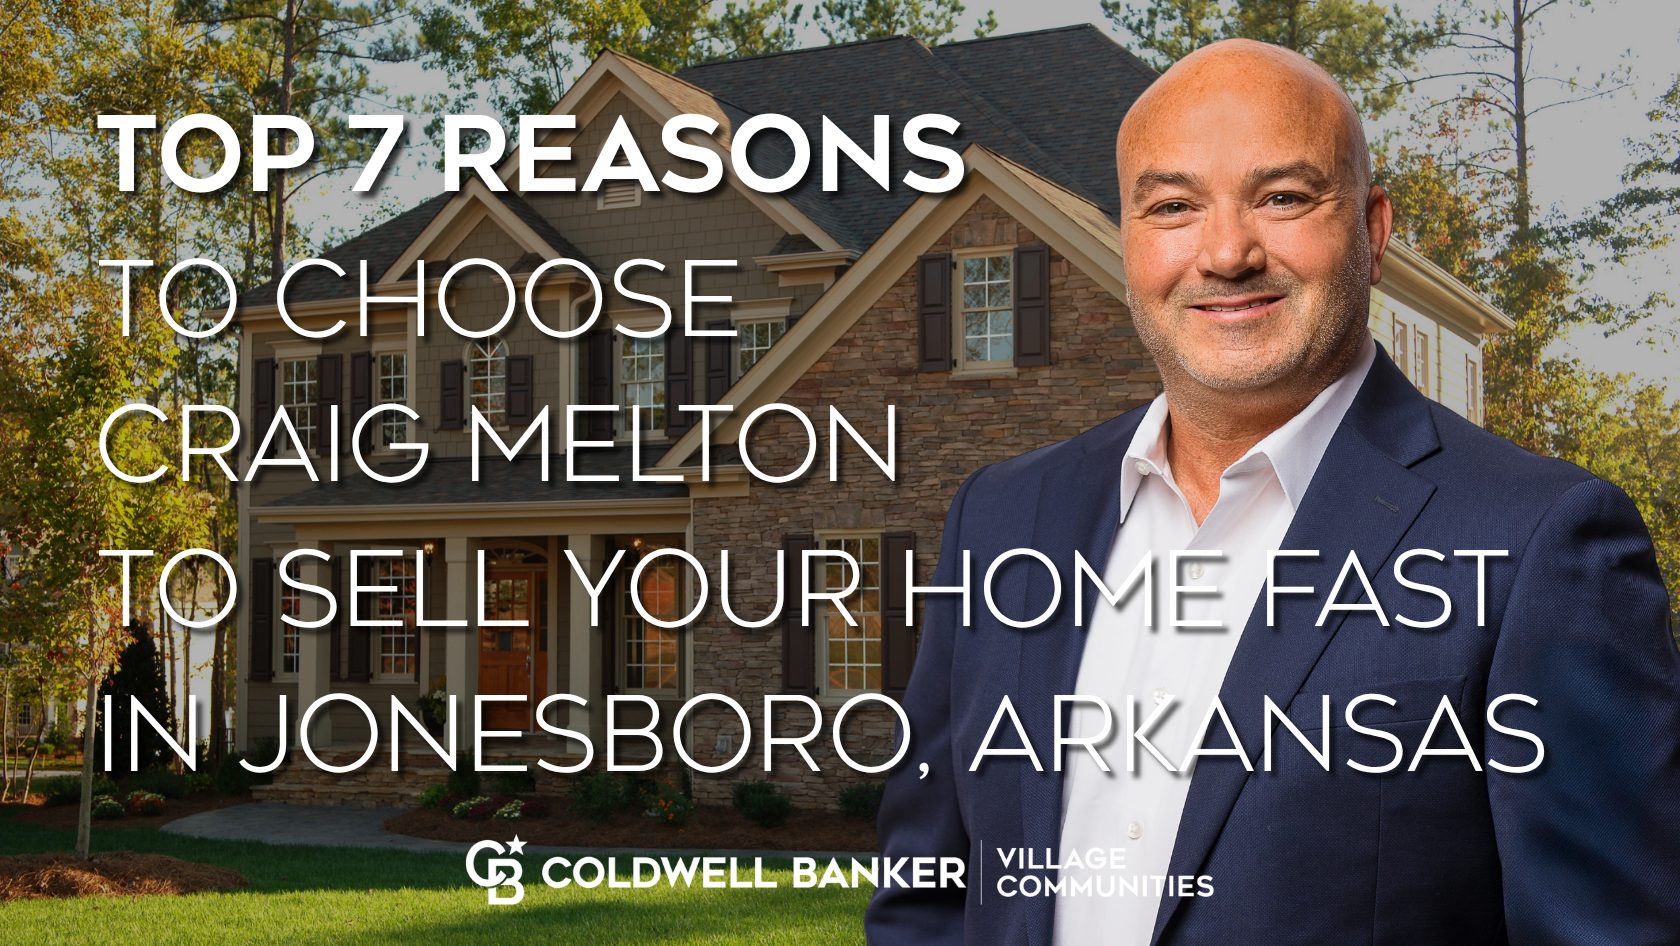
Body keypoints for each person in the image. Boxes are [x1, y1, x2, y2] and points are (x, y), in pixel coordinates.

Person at [866, 38, 1679, 946]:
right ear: (1128, 240)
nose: (1226, 252)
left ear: (1371, 231)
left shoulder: (1542, 544)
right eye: (1173, 206)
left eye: (1284, 198)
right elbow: (926, 898)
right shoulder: (1002, 519)